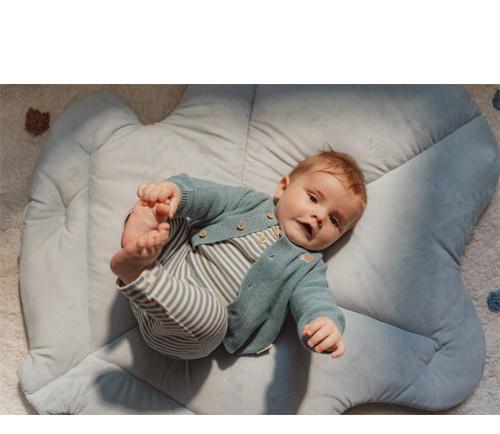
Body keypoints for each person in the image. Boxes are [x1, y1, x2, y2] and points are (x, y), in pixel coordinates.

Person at [110, 149, 367, 360]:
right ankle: (139, 242)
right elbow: (212, 196)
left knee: (211, 317)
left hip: (184, 329)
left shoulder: (307, 266)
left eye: (335, 221)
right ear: (283, 188)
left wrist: (324, 322)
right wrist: (176, 192)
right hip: (175, 260)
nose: (319, 216)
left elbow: (315, 298)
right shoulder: (251, 202)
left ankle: (138, 273)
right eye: (313, 198)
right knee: (169, 215)